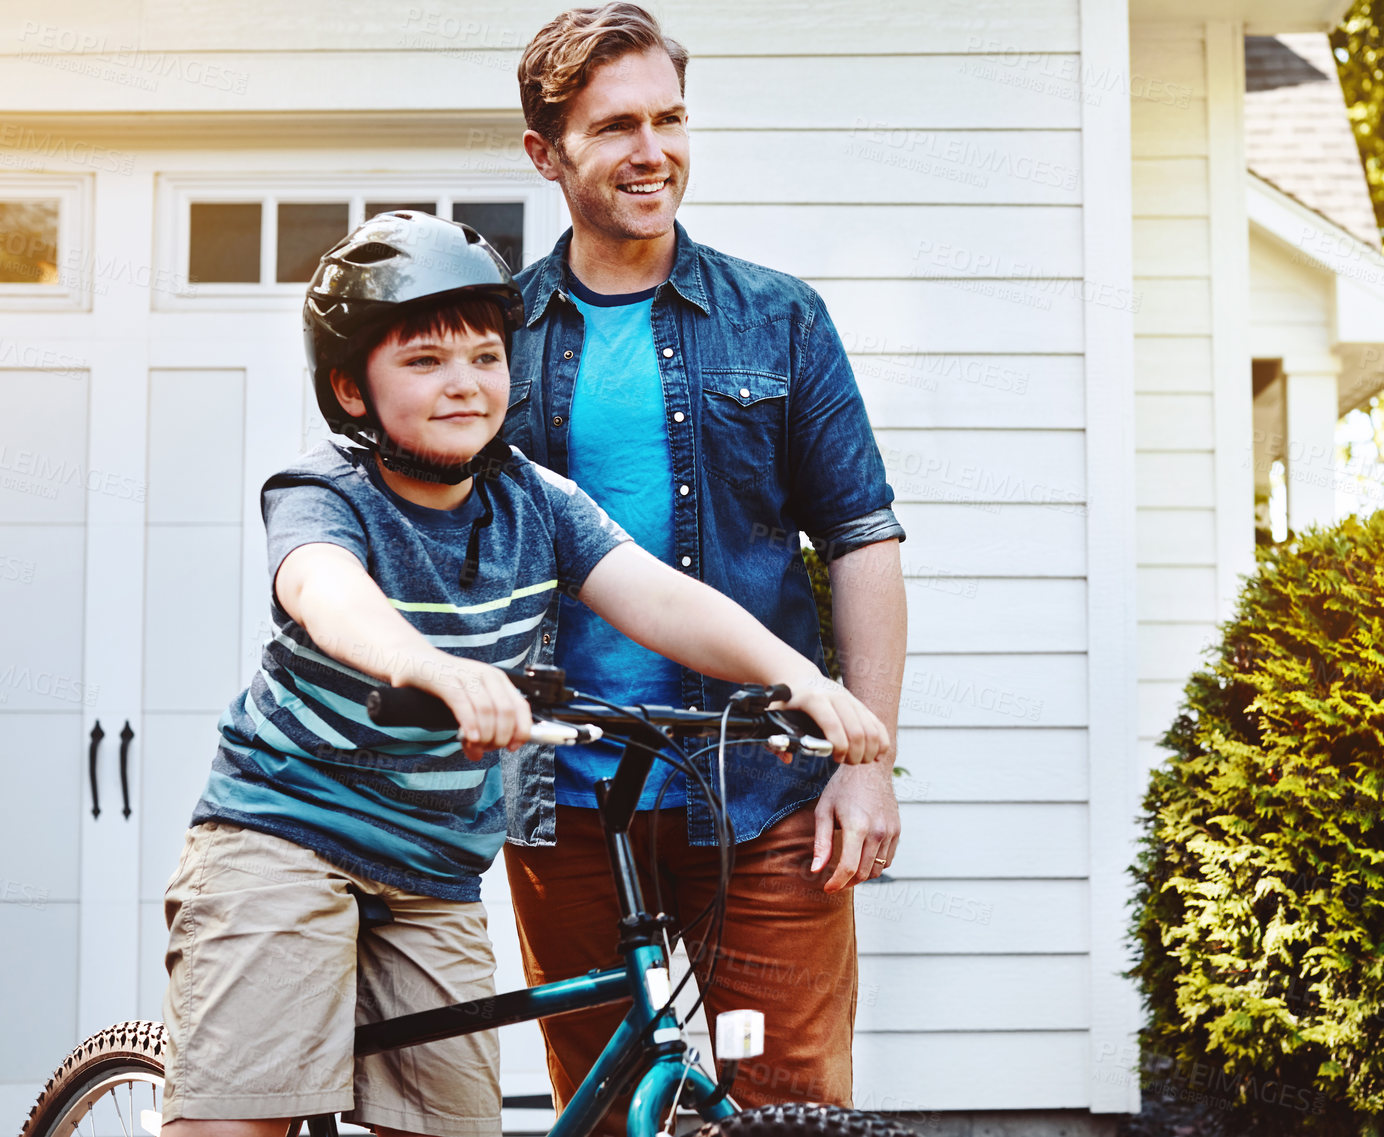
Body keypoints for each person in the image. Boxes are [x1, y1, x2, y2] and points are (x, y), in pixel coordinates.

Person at [156, 210, 888, 1137]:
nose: (464, 384)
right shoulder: (326, 492)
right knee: (240, 1118)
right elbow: (327, 591)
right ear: (350, 389)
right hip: (285, 835)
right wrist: (434, 669)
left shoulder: (536, 502)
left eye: (485, 357)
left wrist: (804, 681)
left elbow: (660, 599)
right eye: (424, 362)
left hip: (432, 867)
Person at [499, 2, 909, 1121]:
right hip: (567, 800)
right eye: (616, 125)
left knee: (789, 1101)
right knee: (605, 1104)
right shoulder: (498, 336)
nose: (653, 152)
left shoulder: (777, 319)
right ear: (546, 152)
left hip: (760, 790)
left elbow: (862, 536)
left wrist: (866, 761)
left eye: (670, 118)